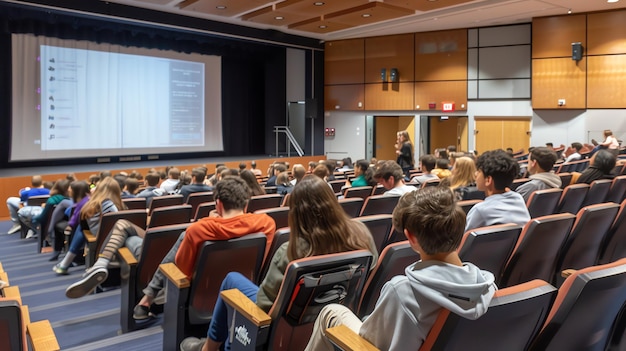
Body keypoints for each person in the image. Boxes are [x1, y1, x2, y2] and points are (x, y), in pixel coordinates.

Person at [179, 176, 378, 351]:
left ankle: (207, 348)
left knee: (232, 280)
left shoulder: (291, 250)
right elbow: (370, 272)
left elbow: (265, 306)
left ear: (296, 212)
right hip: (338, 318)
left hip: (283, 333)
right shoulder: (361, 233)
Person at [304, 186, 497, 351]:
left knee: (330, 312)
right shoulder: (486, 286)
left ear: (411, 237)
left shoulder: (403, 291)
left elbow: (370, 342)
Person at [66, 176, 276, 304]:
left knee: (127, 236)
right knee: (126, 231)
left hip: (192, 291)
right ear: (246, 203)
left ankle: (102, 262)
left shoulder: (199, 229)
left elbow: (180, 269)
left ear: (218, 204)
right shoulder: (267, 224)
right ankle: (108, 267)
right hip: (243, 290)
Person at [53, 177, 123, 275]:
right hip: (118, 237)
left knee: (82, 228)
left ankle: (66, 261)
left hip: (101, 239)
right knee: (82, 229)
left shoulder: (95, 205)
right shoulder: (122, 205)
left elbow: (82, 217)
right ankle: (66, 262)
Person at [465, 149, 530, 231]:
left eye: (478, 171)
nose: (475, 174)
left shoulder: (480, 210)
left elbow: (464, 240)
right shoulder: (518, 198)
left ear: (488, 180)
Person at [48, 180, 90, 261]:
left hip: (81, 228)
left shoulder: (83, 203)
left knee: (58, 225)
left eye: (70, 189)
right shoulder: (82, 201)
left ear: (76, 192)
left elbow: (76, 217)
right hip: (80, 225)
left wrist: (70, 225)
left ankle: (59, 251)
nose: (68, 190)